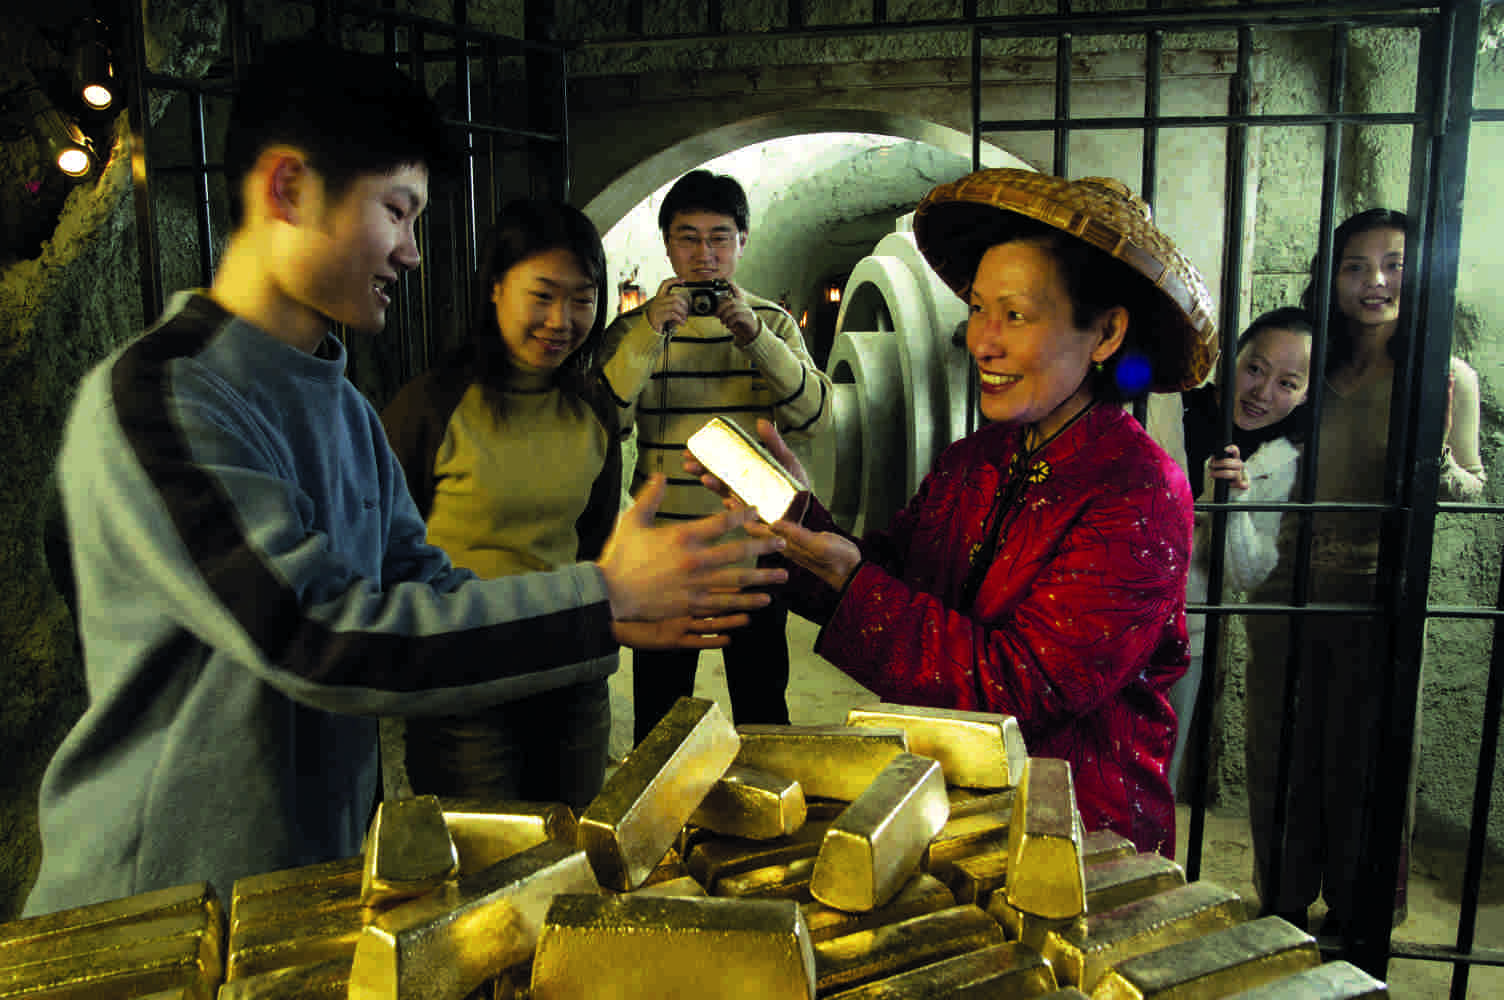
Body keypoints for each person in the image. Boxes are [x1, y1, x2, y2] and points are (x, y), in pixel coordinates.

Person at [23, 42, 784, 917]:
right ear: (288, 190)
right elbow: (316, 635)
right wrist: (601, 601)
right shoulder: (164, 396)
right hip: (153, 916)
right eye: (399, 211)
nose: (414, 253)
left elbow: (422, 582)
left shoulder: (341, 403)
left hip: (296, 893)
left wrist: (621, 607)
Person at [692, 170, 1220, 855]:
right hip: (949, 812)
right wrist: (795, 518)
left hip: (1079, 839)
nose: (982, 341)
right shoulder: (974, 459)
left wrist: (852, 581)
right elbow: (894, 579)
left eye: (1016, 315)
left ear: (1107, 333)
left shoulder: (1139, 493)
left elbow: (1021, 690)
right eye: (977, 309)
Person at [381, 199, 749, 809]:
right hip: (469, 683)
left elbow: (596, 543)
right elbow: (391, 554)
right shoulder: (431, 406)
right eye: (543, 295)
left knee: (576, 852)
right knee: (486, 870)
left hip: (574, 677)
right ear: (496, 288)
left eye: (582, 299)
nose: (562, 320)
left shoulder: (591, 408)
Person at [1243, 208, 1486, 933]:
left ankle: (1357, 922)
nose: (1374, 281)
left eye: (1393, 264)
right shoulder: (1304, 362)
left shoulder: (1445, 374)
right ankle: (1281, 911)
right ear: (1333, 275)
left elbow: (1474, 491)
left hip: (1382, 606)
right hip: (1284, 597)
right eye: (1355, 265)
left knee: (1368, 771)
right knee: (1280, 759)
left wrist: (1434, 454)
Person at [602, 169, 833, 743]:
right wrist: (650, 332)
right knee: (660, 712)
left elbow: (812, 416)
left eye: (719, 237)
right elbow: (608, 420)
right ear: (667, 245)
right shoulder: (636, 327)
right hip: (665, 550)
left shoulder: (773, 323)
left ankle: (767, 818)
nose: (704, 254)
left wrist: (755, 336)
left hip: (752, 543)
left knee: (761, 706)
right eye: (688, 238)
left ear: (741, 241)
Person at [1166, 307, 1314, 796]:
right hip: (1102, 606)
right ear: (1230, 356)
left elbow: (1248, 578)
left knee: (1156, 773)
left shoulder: (1288, 463)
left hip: (1190, 623)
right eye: (1255, 368)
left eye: (1288, 383)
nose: (1262, 393)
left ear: (1307, 393)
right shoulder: (1169, 403)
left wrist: (1236, 500)